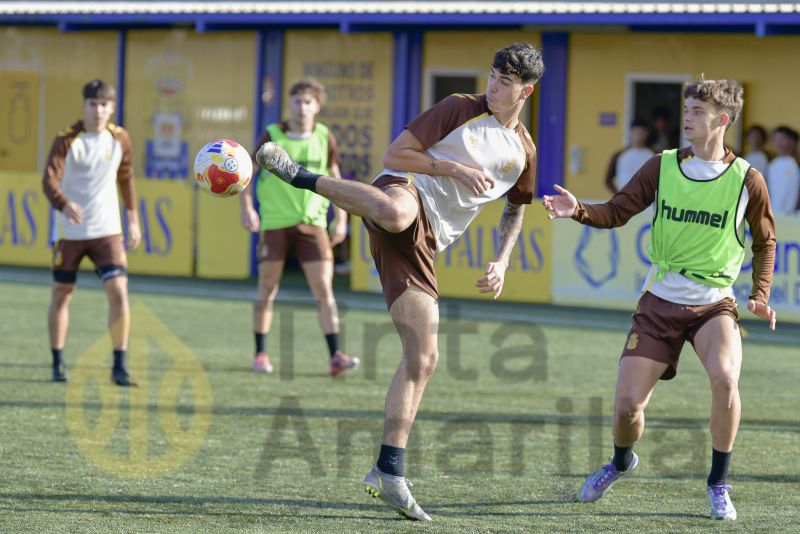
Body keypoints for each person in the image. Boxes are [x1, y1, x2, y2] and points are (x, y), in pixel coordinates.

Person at [256, 43, 543, 521]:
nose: (494, 86)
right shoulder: (458, 107)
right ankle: (299, 176)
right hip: (403, 190)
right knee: (393, 211)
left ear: (526, 91)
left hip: (424, 245)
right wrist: (450, 166)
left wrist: (502, 260)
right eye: (493, 75)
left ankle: (388, 471)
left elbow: (516, 207)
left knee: (424, 358)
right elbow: (397, 152)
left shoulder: (524, 151)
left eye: (506, 82)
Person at [543, 78, 776, 521]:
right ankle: (620, 460)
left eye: (697, 111)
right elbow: (616, 211)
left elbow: (766, 243)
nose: (686, 117)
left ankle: (718, 483)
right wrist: (577, 209)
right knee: (627, 407)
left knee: (726, 380)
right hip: (659, 303)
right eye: (686, 108)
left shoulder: (749, 179)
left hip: (714, 304)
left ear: (722, 120)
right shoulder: (662, 166)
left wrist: (759, 295)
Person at [240, 78, 358, 376]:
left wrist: (341, 217)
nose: (301, 108)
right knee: (267, 287)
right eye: (296, 101)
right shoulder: (272, 135)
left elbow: (335, 177)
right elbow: (247, 174)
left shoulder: (324, 136)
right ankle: (260, 354)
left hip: (313, 223)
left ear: (317, 106)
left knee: (323, 289)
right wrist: (247, 207)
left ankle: (336, 356)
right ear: (288, 105)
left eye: (308, 102)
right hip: (276, 222)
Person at [43, 79, 141, 387]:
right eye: (93, 104)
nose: (98, 111)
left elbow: (126, 178)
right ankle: (58, 362)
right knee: (62, 294)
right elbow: (48, 180)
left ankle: (119, 366)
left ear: (112, 108)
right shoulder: (67, 139)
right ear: (84, 105)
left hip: (107, 230)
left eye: (104, 105)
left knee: (119, 292)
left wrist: (133, 220)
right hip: (70, 232)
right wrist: (63, 203)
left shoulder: (120, 138)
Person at [604, 118, 654, 194]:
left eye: (641, 132)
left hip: (649, 202)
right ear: (630, 132)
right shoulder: (619, 155)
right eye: (636, 131)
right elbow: (608, 181)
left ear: (647, 133)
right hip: (624, 202)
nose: (638, 135)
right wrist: (618, 195)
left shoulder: (655, 155)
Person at [765, 125, 800, 215]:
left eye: (782, 139)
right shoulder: (772, 165)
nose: (778, 143)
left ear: (793, 141)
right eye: (775, 140)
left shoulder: (797, 162)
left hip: (795, 219)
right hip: (776, 216)